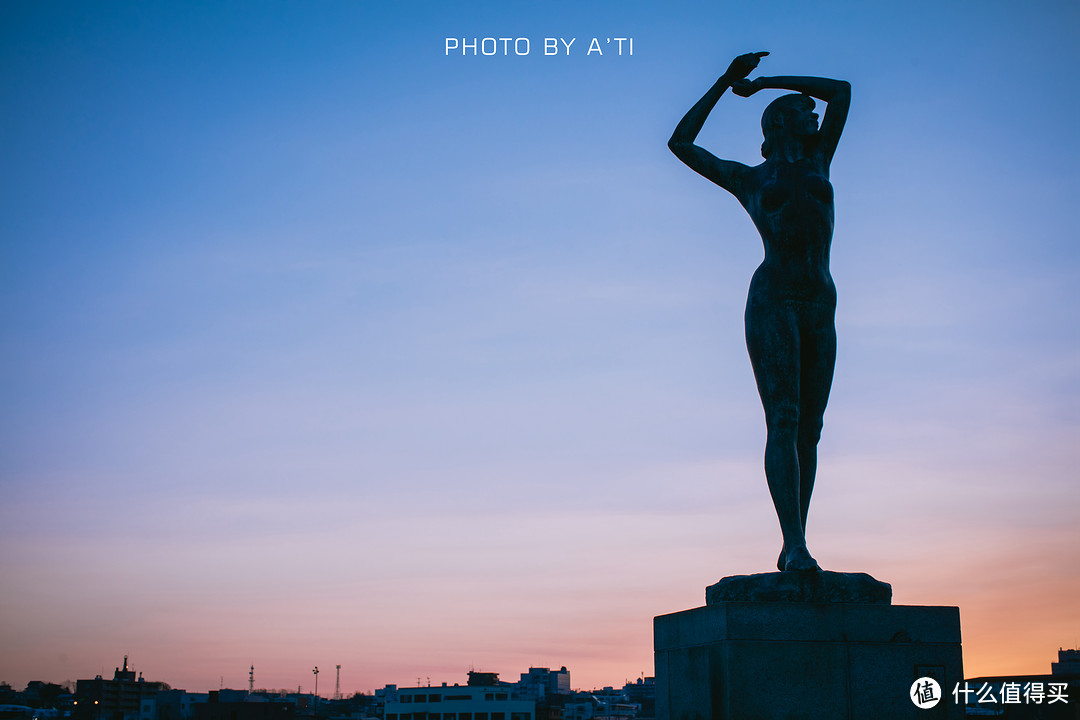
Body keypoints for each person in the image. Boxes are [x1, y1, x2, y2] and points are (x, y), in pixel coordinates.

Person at [668, 52, 851, 572]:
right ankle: (794, 544)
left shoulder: (820, 161)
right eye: (802, 111)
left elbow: (839, 89)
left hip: (820, 298)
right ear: (779, 123)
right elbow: (681, 144)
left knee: (810, 427)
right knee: (785, 417)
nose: (813, 116)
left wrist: (767, 80)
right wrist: (726, 81)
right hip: (773, 297)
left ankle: (797, 540)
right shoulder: (751, 179)